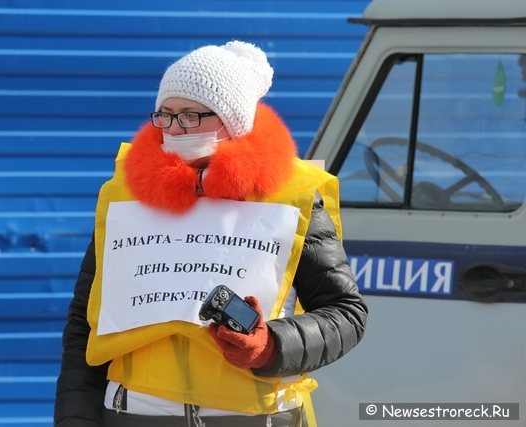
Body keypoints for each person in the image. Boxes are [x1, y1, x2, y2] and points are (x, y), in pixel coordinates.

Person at [53, 40, 367, 427]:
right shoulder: (127, 198)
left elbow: (345, 315)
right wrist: (75, 419)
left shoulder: (291, 197)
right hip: (134, 414)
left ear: (231, 121)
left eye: (190, 116)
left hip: (255, 417)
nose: (173, 129)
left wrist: (271, 345)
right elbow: (85, 325)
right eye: (165, 115)